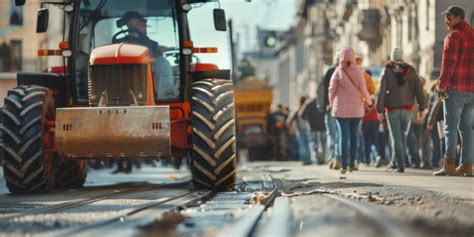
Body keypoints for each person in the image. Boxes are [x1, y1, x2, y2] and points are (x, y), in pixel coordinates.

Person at [433, 6, 474, 177]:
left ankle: (449, 164)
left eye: (448, 17)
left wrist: (441, 85)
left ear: (457, 17)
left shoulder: (453, 36)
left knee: (450, 127)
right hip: (472, 91)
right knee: (467, 128)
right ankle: (467, 165)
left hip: (456, 88)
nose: (446, 21)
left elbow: (448, 64)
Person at [375, 47, 425, 173]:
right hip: (407, 109)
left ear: (392, 57)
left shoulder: (387, 70)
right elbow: (419, 89)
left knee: (395, 137)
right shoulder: (411, 70)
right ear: (402, 57)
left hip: (392, 109)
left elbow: (381, 90)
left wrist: (379, 109)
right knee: (402, 136)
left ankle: (400, 165)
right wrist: (422, 107)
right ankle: (395, 162)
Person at [329, 47, 372, 174]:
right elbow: (363, 89)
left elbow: (331, 90)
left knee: (343, 136)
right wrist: (369, 102)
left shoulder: (337, 71)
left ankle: (343, 164)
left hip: (340, 108)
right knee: (354, 136)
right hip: (356, 109)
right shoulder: (358, 72)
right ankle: (352, 164)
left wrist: (332, 104)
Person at [115, 11, 175, 99]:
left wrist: (169, 49)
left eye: (140, 21)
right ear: (127, 23)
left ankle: (167, 95)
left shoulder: (149, 42)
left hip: (147, 66)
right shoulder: (118, 42)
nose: (140, 23)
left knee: (163, 62)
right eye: (135, 20)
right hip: (125, 68)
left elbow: (158, 50)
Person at [322, 53, 341, 169]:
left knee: (331, 134)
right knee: (340, 134)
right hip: (342, 107)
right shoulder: (346, 71)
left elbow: (325, 90)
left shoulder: (329, 71)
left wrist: (326, 105)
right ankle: (339, 157)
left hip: (330, 107)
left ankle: (332, 157)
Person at [300, 97, 327, 164]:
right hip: (323, 126)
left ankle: (316, 153)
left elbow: (301, 114)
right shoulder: (323, 103)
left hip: (312, 127)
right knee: (323, 143)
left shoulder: (308, 103)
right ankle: (322, 158)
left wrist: (308, 119)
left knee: (313, 142)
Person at [287, 97, 312, 165]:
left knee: (303, 146)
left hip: (301, 130)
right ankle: (308, 160)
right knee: (308, 145)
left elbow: (288, 121)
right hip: (307, 130)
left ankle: (305, 160)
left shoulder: (296, 110)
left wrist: (292, 128)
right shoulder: (307, 109)